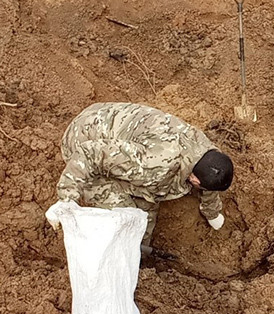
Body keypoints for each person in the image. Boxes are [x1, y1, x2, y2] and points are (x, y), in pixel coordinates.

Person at [47, 102, 233, 247]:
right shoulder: (154, 164)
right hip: (83, 138)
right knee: (128, 219)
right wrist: (66, 199)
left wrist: (212, 212)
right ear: (193, 179)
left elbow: (208, 180)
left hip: (118, 132)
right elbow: (90, 153)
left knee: (145, 219)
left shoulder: (205, 151)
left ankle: (138, 260)